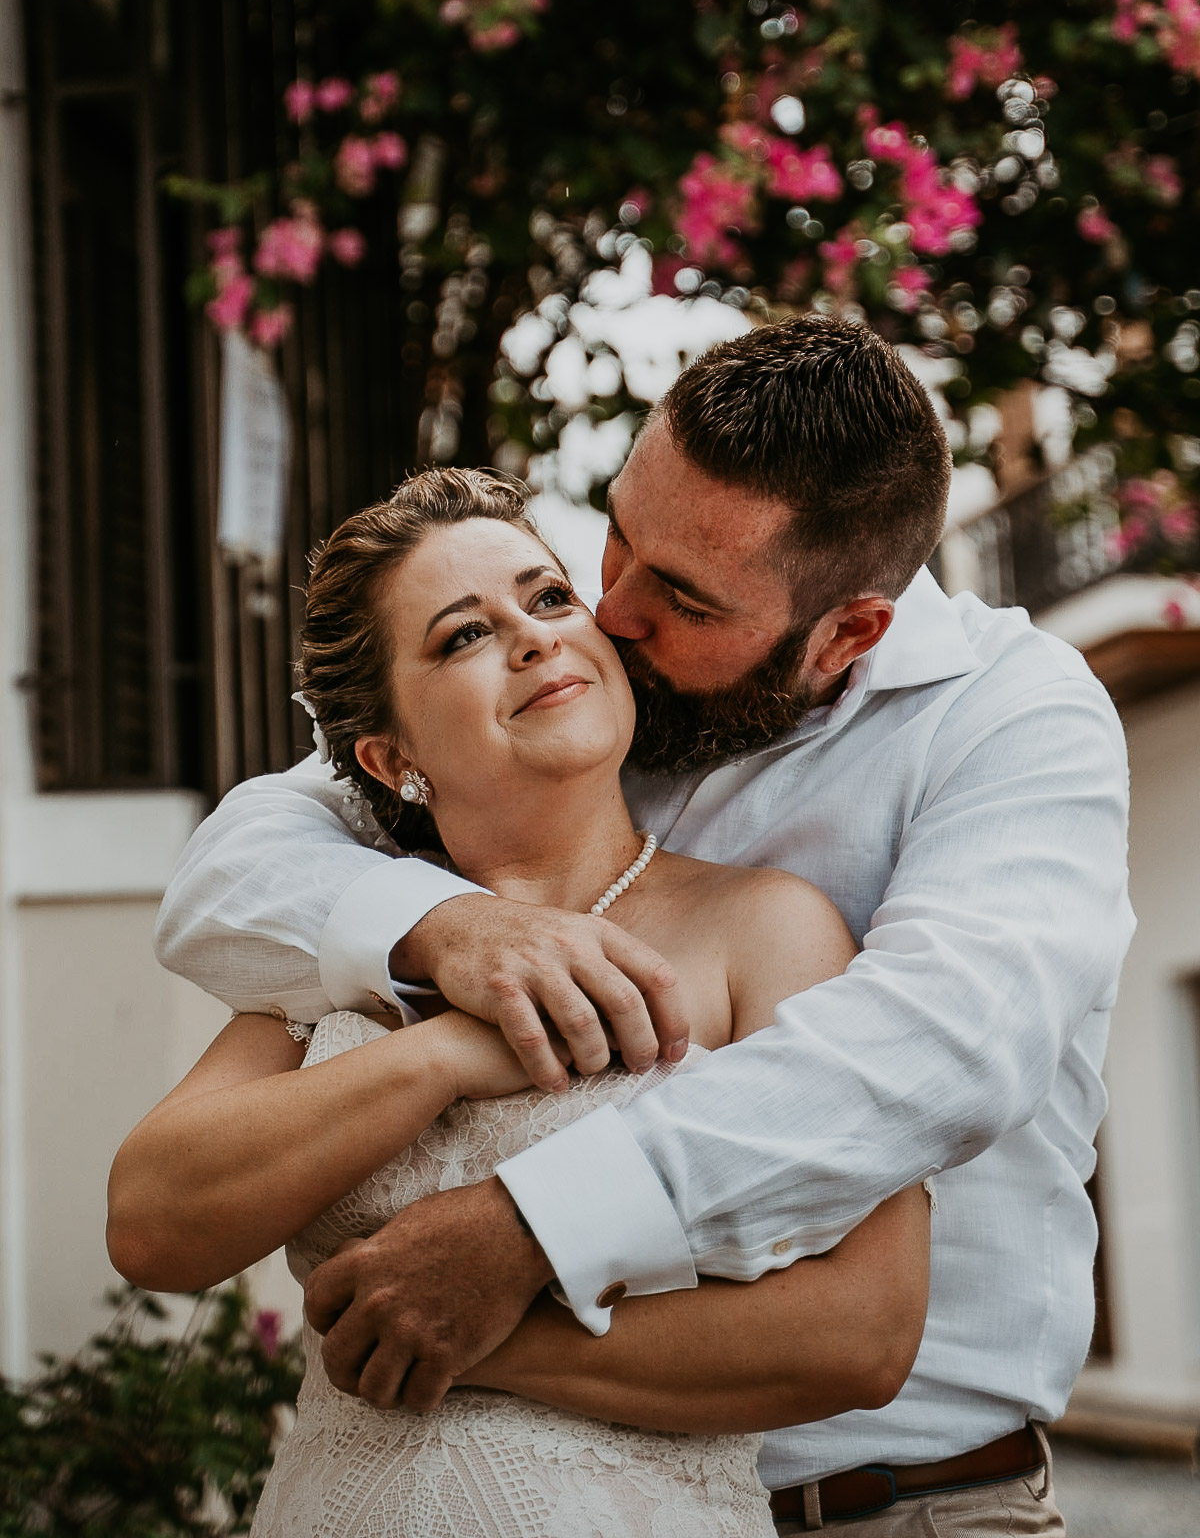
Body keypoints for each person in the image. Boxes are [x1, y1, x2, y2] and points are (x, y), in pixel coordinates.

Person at [155, 316, 1134, 1534]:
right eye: (613, 539)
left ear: (846, 632)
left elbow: (934, 1051)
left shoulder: (1010, 725)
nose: (608, 612)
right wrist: (446, 933)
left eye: (677, 593)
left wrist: (523, 1237)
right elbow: (232, 870)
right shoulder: (594, 700)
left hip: (902, 1502)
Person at [110, 469, 930, 1538]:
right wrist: (444, 1054)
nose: (535, 637)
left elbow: (859, 1333)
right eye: (463, 636)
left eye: (549, 599)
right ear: (392, 758)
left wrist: (467, 1325)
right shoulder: (344, 940)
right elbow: (152, 1225)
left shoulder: (764, 928)